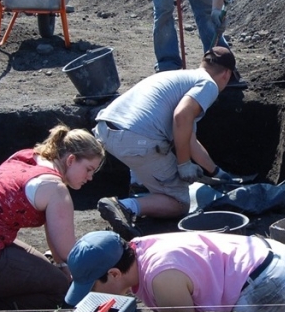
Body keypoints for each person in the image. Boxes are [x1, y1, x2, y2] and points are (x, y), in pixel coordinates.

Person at [0, 125, 105, 311]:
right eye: (88, 169)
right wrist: (96, 278)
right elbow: (69, 253)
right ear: (71, 160)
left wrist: (63, 267)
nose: (90, 177)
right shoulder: (55, 188)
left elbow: (57, 241)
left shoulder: (25, 157)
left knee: (52, 274)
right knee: (61, 290)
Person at [93, 47, 239, 241]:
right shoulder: (209, 84)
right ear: (227, 74)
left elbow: (189, 139)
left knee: (152, 151)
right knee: (179, 202)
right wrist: (183, 164)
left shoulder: (180, 77)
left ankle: (139, 188)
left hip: (108, 130)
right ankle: (124, 206)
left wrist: (216, 173)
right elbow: (181, 116)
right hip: (136, 139)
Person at [65, 230, 285, 312]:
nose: (92, 297)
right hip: (275, 253)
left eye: (92, 288)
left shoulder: (162, 278)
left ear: (115, 273)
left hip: (273, 282)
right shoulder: (139, 247)